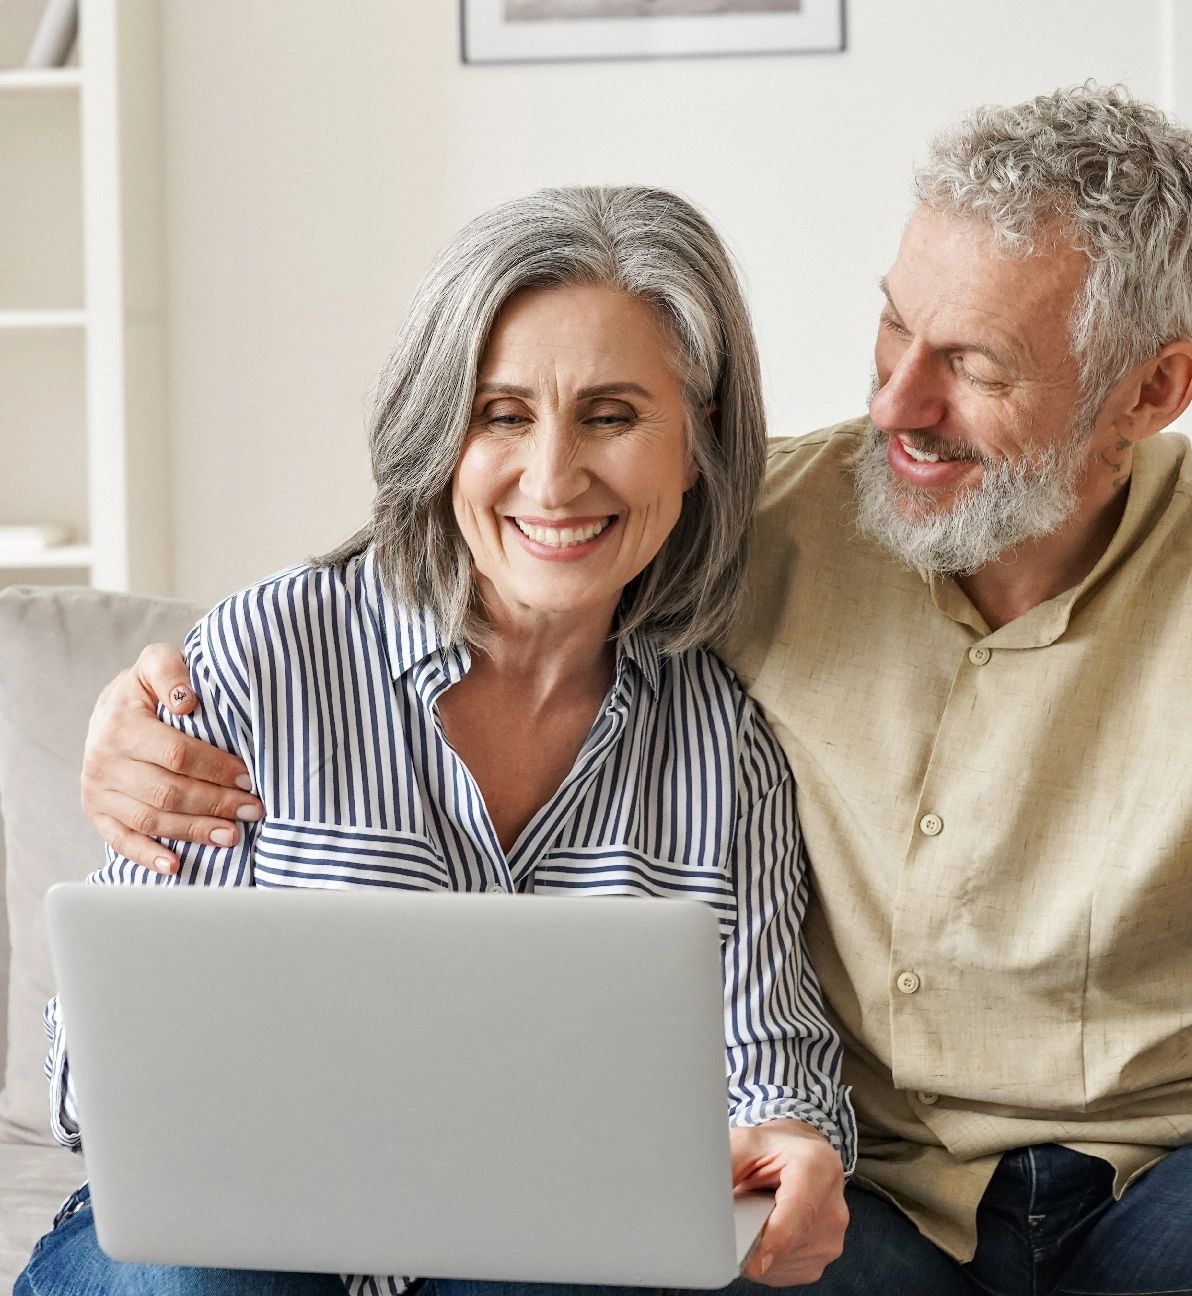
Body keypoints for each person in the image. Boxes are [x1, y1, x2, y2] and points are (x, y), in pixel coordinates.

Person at [77, 84, 1192, 1295]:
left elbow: (765, 1050)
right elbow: (115, 1051)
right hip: (884, 1200)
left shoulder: (705, 715)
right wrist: (126, 723)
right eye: (892, 328)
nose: (893, 405)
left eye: (972, 364)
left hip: (1152, 1174)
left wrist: (787, 1135)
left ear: (1147, 392)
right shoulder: (749, 521)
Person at [18, 186, 855, 1296]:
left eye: (611, 415)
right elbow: (94, 1068)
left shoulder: (719, 743)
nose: (552, 479)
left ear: (696, 448)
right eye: (502, 415)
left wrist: (794, 1143)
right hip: (226, 1251)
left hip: (522, 1261)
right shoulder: (270, 654)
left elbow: (763, 1061)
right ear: (439, 435)